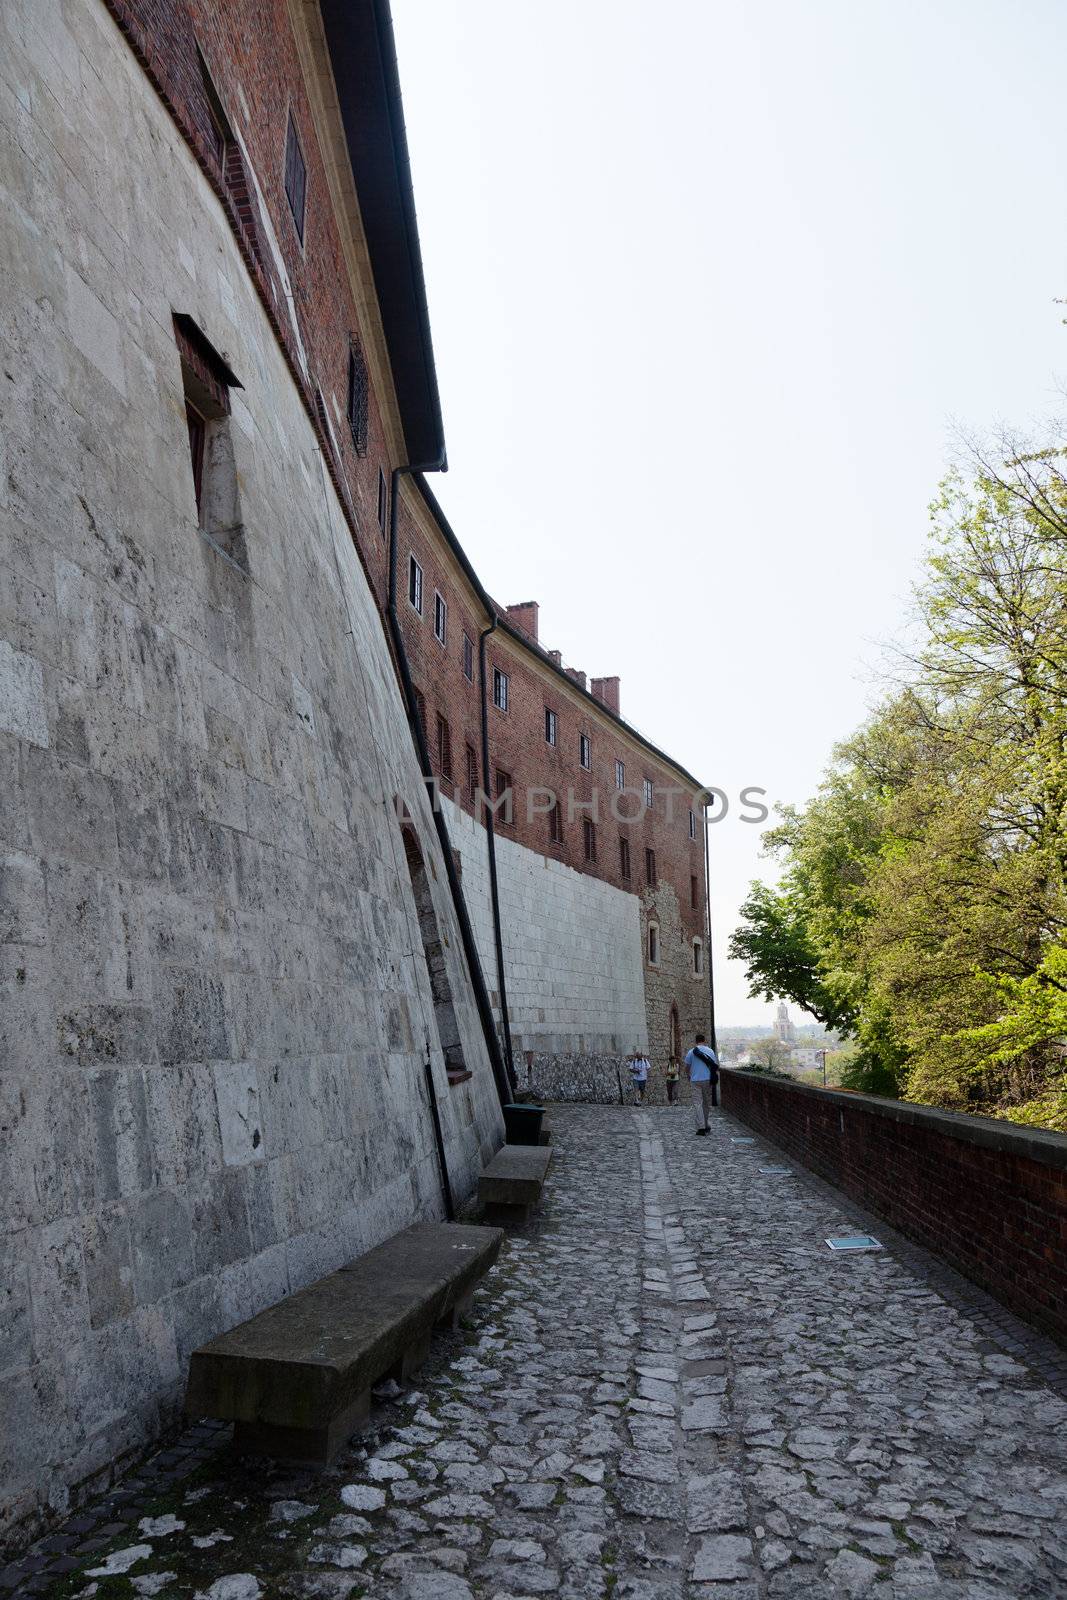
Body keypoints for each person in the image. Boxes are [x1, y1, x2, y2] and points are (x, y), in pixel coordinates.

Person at [685, 1033, 719, 1135]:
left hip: (695, 1080)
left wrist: (689, 1075)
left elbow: (687, 1067)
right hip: (707, 1079)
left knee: (697, 1103)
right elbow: (715, 1065)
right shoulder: (710, 1051)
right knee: (706, 1103)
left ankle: (701, 1127)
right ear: (704, 1040)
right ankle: (706, 1124)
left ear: (696, 1041)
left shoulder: (691, 1052)